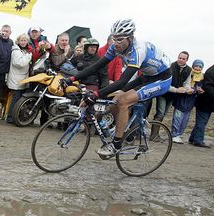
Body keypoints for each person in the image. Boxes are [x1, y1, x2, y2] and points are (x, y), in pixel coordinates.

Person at [68, 19, 172, 157]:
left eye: (120, 39)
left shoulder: (138, 50)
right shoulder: (115, 47)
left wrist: (95, 95)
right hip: (147, 75)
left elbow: (122, 81)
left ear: (130, 37)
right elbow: (96, 66)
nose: (116, 42)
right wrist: (71, 78)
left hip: (161, 79)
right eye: (114, 38)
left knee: (123, 101)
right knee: (115, 100)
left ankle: (116, 144)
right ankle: (116, 126)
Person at [151, 51, 191, 139]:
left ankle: (156, 134)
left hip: (173, 96)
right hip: (163, 93)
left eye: (183, 59)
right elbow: (164, 83)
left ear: (187, 60)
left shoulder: (188, 70)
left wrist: (187, 89)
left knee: (164, 114)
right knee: (160, 113)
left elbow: (187, 83)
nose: (181, 60)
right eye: (180, 58)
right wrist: (177, 90)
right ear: (177, 57)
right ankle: (153, 135)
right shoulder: (170, 67)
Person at [170, 59, 203, 144]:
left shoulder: (202, 77)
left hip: (190, 102)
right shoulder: (188, 73)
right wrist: (187, 90)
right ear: (193, 66)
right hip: (181, 99)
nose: (198, 68)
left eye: (200, 66)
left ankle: (179, 134)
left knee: (185, 120)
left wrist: (198, 90)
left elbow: (200, 88)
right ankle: (174, 135)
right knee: (177, 118)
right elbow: (182, 84)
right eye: (196, 66)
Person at [5, 33, 32, 124]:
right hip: (16, 79)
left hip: (21, 78)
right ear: (18, 41)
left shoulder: (23, 50)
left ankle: (15, 117)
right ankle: (10, 117)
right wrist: (29, 56)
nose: (23, 42)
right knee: (16, 99)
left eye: (25, 40)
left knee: (19, 99)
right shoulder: (16, 51)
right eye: (22, 40)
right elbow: (19, 63)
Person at [189, 64, 213, 148]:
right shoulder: (211, 71)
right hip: (204, 101)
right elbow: (208, 86)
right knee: (202, 121)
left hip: (208, 103)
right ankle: (198, 140)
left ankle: (193, 138)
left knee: (202, 121)